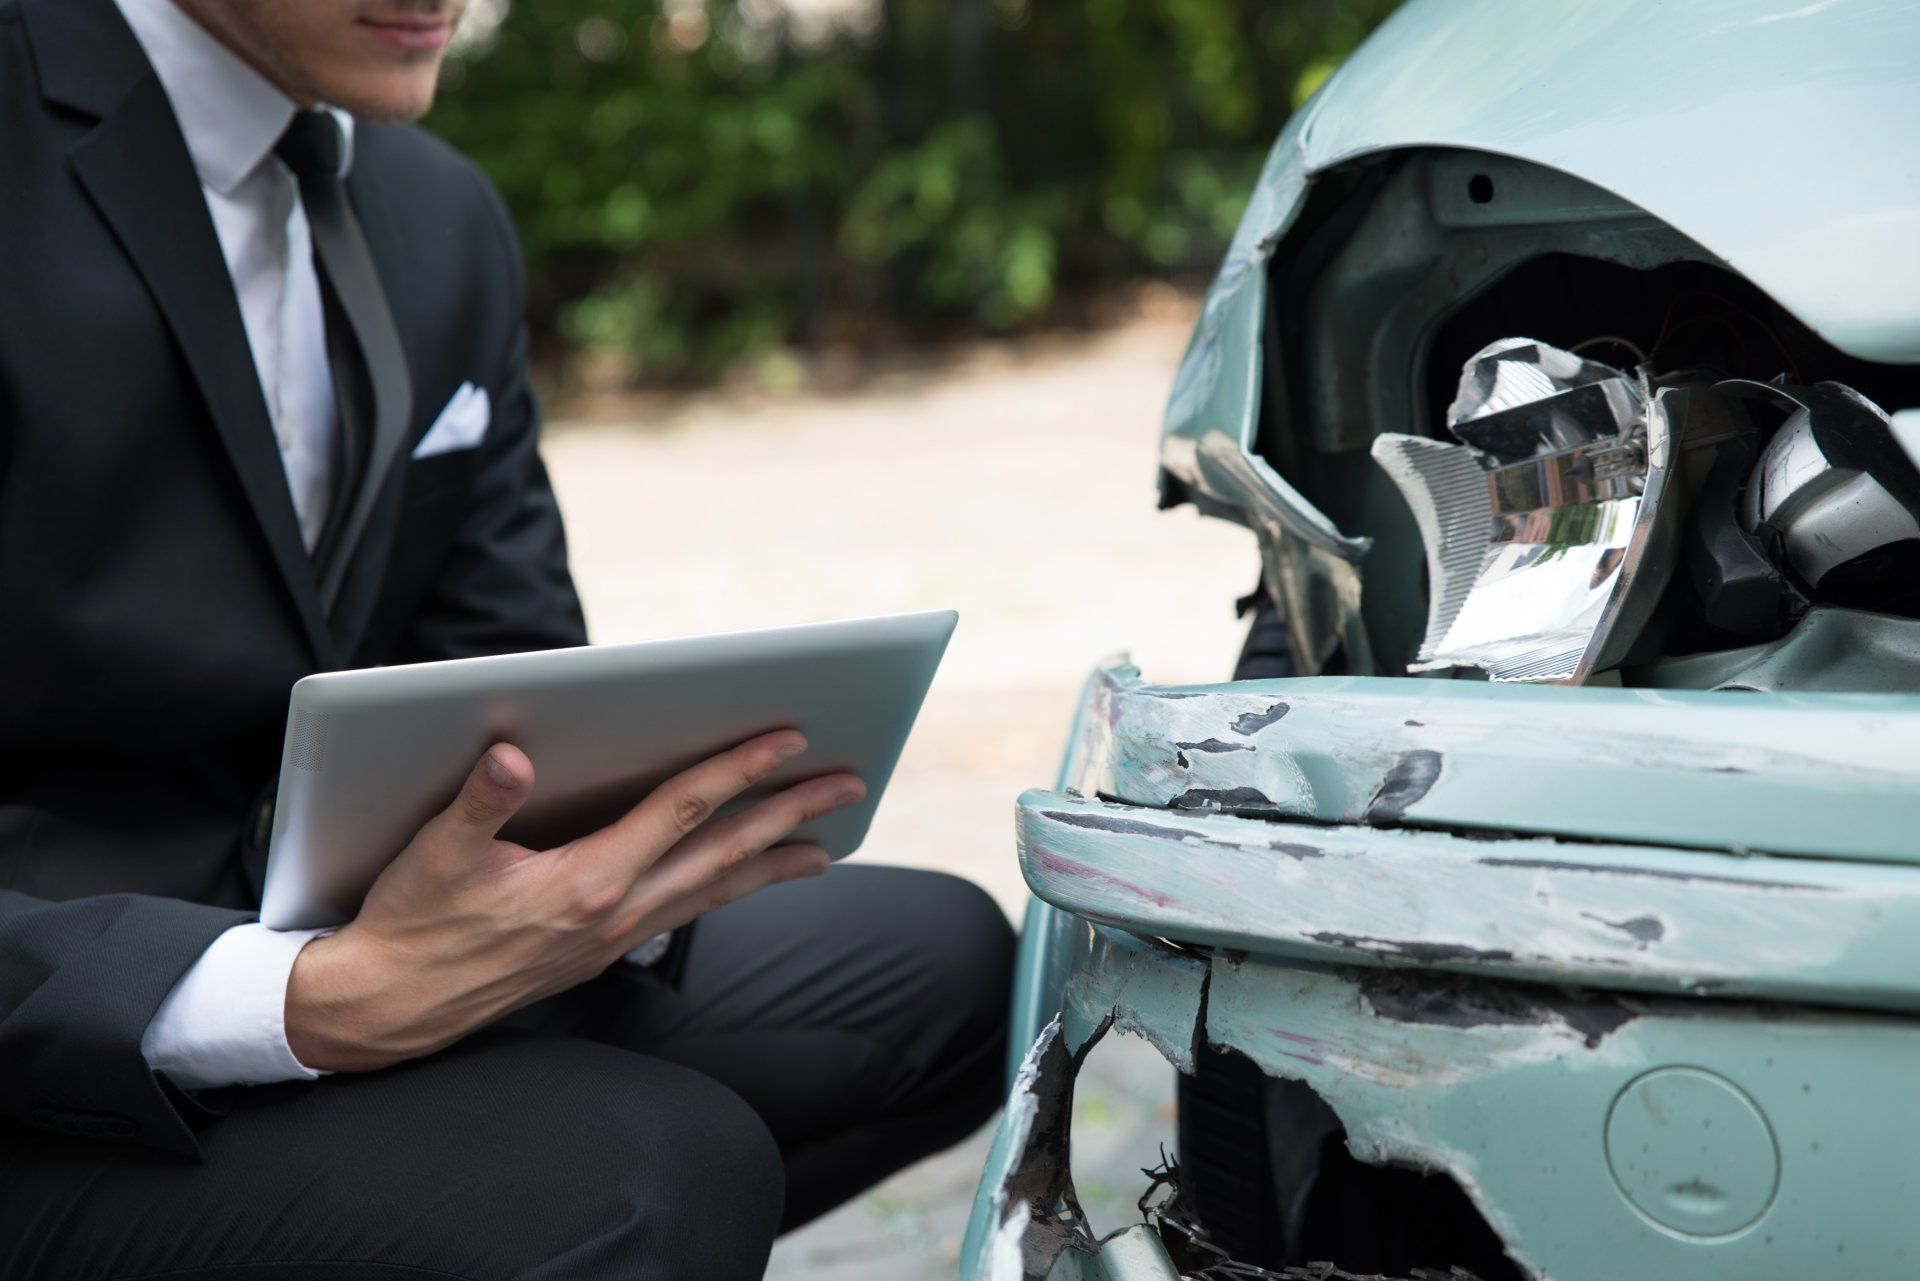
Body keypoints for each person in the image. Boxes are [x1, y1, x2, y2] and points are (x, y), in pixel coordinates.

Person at [0, 0, 1015, 1275]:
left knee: (941, 969)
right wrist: (301, 1004)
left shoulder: (438, 213)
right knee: (641, 1173)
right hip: (48, 1029)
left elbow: (511, 662)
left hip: (315, 913)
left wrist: (606, 876)